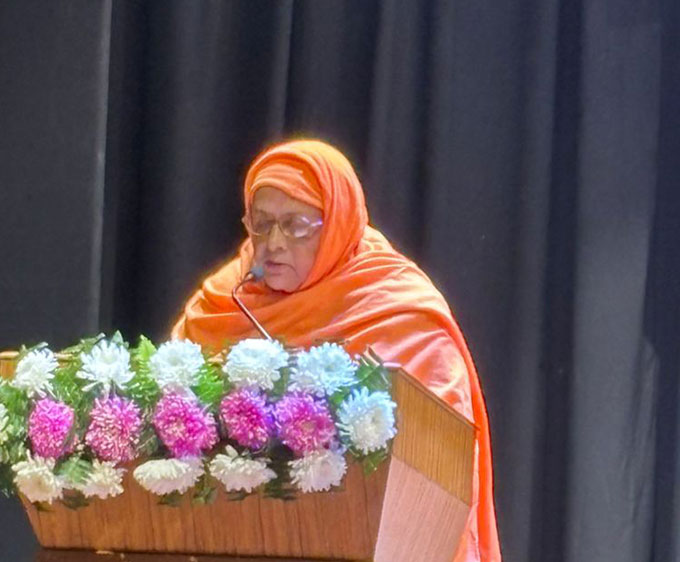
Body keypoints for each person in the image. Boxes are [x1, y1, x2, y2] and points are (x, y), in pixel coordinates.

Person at [172, 139, 501, 562]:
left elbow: (440, 460)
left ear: (336, 224)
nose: (274, 242)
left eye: (295, 225)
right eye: (262, 223)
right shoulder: (221, 302)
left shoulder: (398, 306)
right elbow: (170, 404)